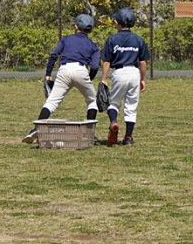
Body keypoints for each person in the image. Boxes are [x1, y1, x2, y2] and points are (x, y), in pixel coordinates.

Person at [22, 14, 100, 144]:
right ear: (90, 30)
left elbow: (54, 55)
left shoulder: (67, 39)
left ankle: (36, 128)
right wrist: (89, 78)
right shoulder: (93, 45)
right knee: (92, 101)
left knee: (52, 101)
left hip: (64, 70)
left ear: (76, 27)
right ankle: (89, 134)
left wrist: (48, 73)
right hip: (81, 70)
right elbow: (95, 66)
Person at [101, 8, 150, 146]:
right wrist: (142, 79)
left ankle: (114, 121)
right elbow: (142, 62)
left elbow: (106, 61)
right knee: (131, 106)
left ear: (117, 23)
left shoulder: (112, 39)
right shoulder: (138, 40)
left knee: (114, 103)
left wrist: (104, 79)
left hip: (119, 72)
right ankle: (128, 138)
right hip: (134, 72)